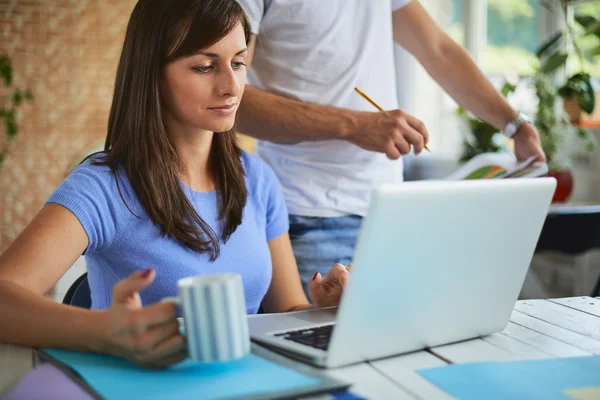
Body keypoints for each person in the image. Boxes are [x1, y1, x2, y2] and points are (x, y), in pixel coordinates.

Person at [0, 0, 348, 369]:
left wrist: (323, 311)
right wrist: (102, 330)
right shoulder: (103, 187)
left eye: (239, 62)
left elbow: (286, 311)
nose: (231, 87)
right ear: (152, 73)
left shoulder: (257, 179)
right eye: (204, 67)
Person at [234, 0, 547, 296]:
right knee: (319, 349)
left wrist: (514, 124)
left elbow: (437, 49)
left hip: (389, 218)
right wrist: (354, 125)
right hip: (306, 219)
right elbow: (230, 97)